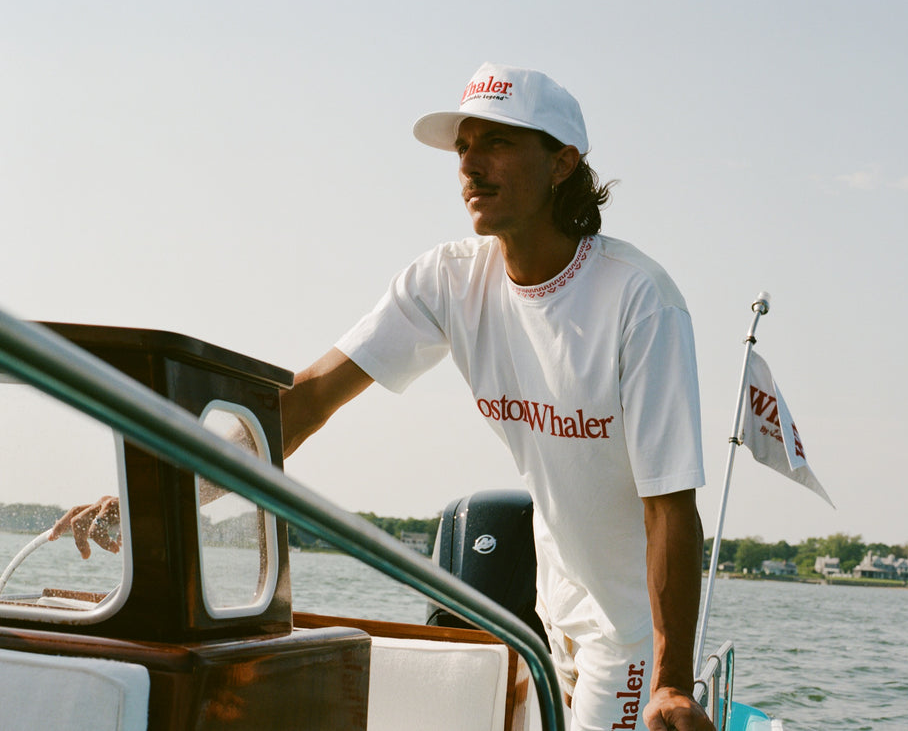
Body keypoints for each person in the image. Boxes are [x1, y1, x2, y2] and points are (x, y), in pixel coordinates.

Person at [54, 62, 714, 731]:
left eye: (498, 143)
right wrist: (156, 499)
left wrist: (672, 680)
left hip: (632, 626)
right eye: (463, 148)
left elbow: (670, 506)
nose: (471, 166)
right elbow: (307, 399)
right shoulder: (449, 281)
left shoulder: (639, 300)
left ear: (563, 162)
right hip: (555, 600)